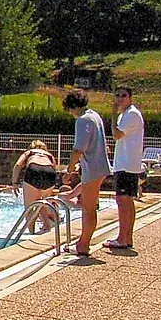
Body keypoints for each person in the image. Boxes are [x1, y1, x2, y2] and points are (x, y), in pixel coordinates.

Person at [65, 89, 110, 257]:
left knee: (88, 208)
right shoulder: (94, 115)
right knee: (88, 206)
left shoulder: (82, 120)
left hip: (93, 168)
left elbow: (78, 148)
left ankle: (83, 244)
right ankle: (83, 242)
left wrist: (69, 170)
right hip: (99, 166)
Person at [106, 86, 144, 251]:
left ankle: (122, 238)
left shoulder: (130, 114)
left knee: (122, 201)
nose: (120, 98)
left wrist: (112, 115)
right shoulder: (127, 114)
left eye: (123, 95)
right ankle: (127, 237)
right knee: (127, 201)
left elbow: (117, 135)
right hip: (128, 163)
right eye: (118, 95)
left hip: (126, 164)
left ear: (130, 97)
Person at [11, 140, 59, 232]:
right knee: (42, 203)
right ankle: (47, 227)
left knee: (29, 208)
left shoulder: (29, 152)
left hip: (34, 170)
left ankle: (31, 233)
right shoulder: (49, 155)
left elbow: (17, 165)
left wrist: (14, 183)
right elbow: (54, 168)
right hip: (50, 173)